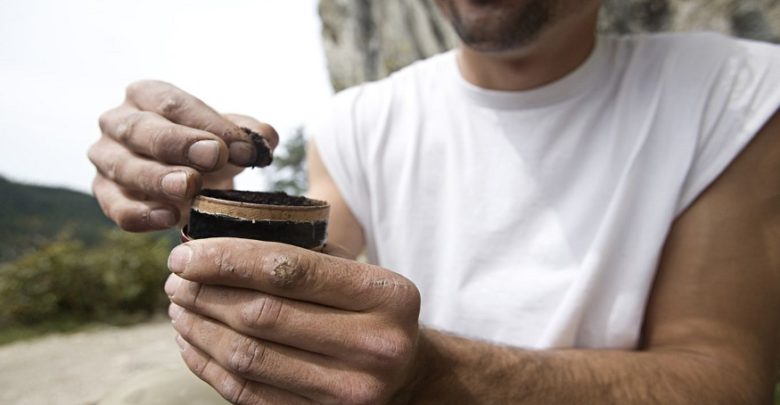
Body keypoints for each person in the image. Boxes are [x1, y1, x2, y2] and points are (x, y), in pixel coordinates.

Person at [89, 0, 780, 403]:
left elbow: (724, 375)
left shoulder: (737, 93)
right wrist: (208, 203)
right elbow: (301, 269)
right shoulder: (357, 121)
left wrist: (432, 373)